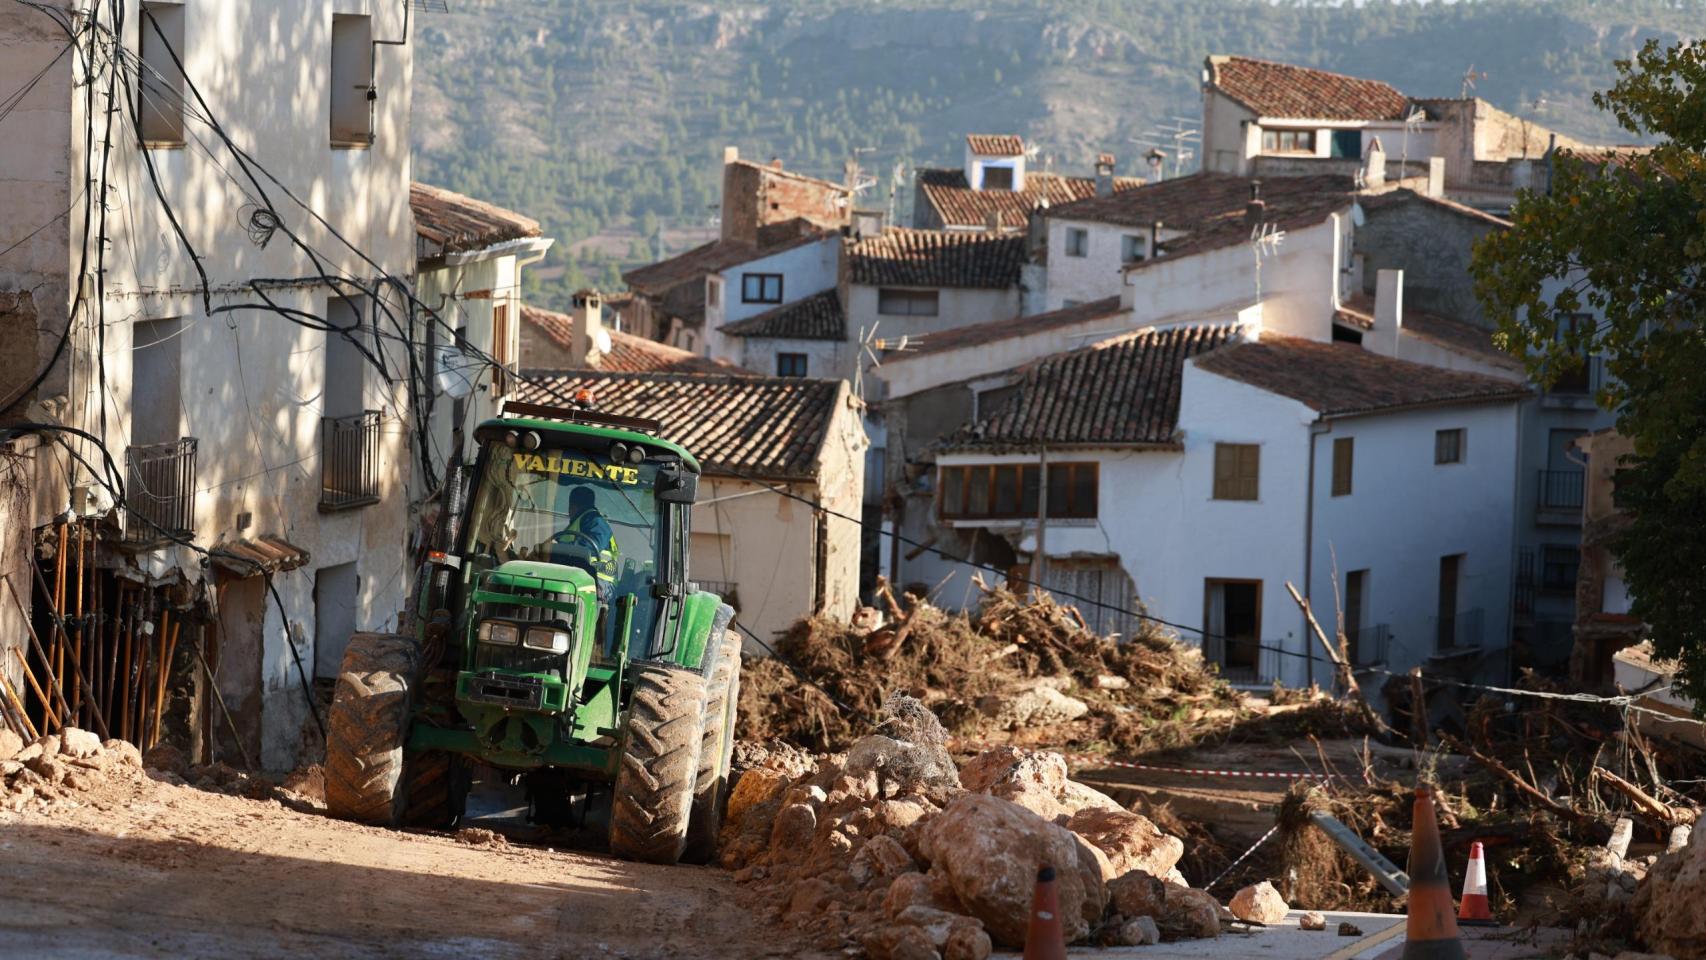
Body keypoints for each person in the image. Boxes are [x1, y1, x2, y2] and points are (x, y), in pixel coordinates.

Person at [553, 484, 619, 592]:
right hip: (580, 577)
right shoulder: (576, 526)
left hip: (600, 582)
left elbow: (591, 546)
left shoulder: (597, 522)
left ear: (572, 507)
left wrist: (555, 547)